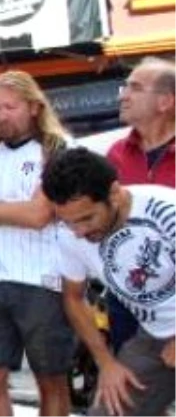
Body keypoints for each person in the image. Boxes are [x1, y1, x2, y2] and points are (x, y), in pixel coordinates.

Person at [0, 71, 74, 417]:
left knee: (51, 379)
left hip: (45, 280)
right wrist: (16, 211)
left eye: (10, 107)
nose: (1, 115)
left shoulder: (56, 147)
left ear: (34, 107)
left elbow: (40, 214)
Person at [44, 148, 176, 417]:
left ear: (114, 194)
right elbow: (73, 297)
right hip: (154, 336)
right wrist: (106, 363)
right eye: (69, 223)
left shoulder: (166, 210)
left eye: (86, 218)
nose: (79, 232)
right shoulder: (69, 235)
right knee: (108, 411)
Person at [104, 58, 176, 351]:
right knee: (133, 383)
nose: (123, 95)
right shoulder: (115, 154)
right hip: (127, 298)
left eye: (135, 88)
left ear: (165, 101)